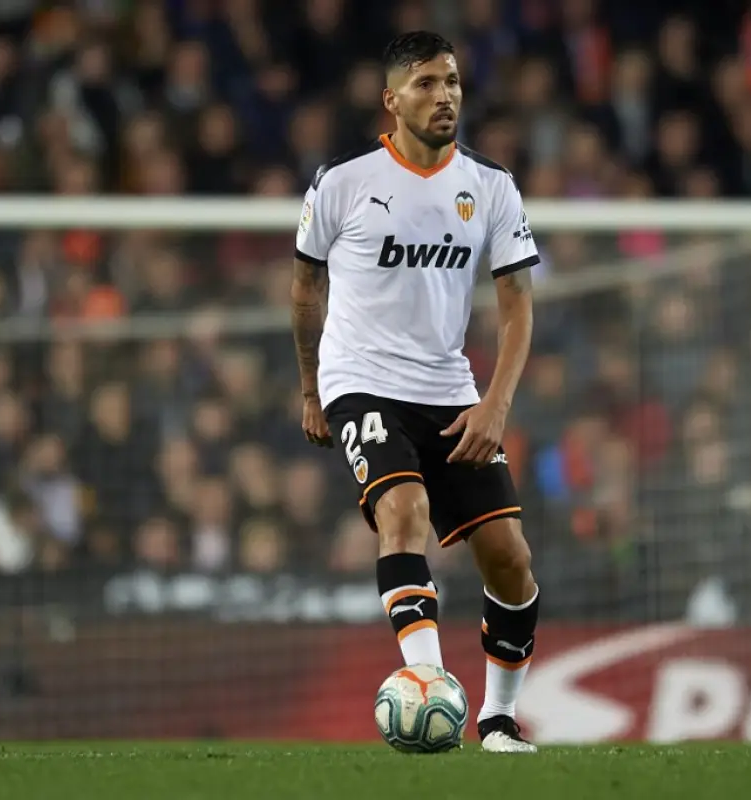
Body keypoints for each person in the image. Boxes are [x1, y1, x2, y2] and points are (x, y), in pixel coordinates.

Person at [291, 31, 541, 753]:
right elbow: (306, 284)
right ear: (391, 99)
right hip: (360, 382)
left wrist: (495, 403)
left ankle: (497, 719)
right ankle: (428, 687)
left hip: (449, 388)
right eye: (427, 84)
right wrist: (312, 387)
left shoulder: (490, 186)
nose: (445, 96)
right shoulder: (342, 181)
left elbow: (519, 304)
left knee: (511, 560)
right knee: (405, 512)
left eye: (453, 82)